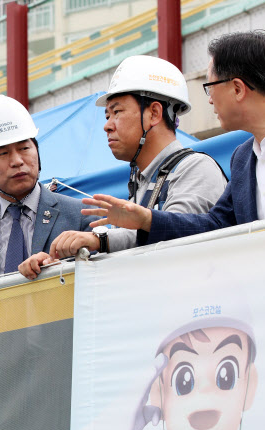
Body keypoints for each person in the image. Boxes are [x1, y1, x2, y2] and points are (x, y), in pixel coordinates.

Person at [81, 31, 265, 242]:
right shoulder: (243, 158)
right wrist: (148, 219)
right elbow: (215, 225)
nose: (210, 99)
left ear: (237, 88)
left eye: (210, 86)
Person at [29, 56, 227, 276]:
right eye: (107, 115)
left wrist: (98, 240)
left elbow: (176, 236)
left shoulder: (196, 169)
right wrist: (61, 263)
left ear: (154, 113)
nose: (107, 125)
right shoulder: (142, 182)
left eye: (117, 112)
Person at [0, 94, 95, 300]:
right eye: (2, 153)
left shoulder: (80, 214)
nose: (17, 160)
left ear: (37, 151)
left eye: (24, 148)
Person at [98, 304, 264, 430]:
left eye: (226, 376)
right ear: (159, 393)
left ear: (249, 386)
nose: (205, 391)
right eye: (183, 381)